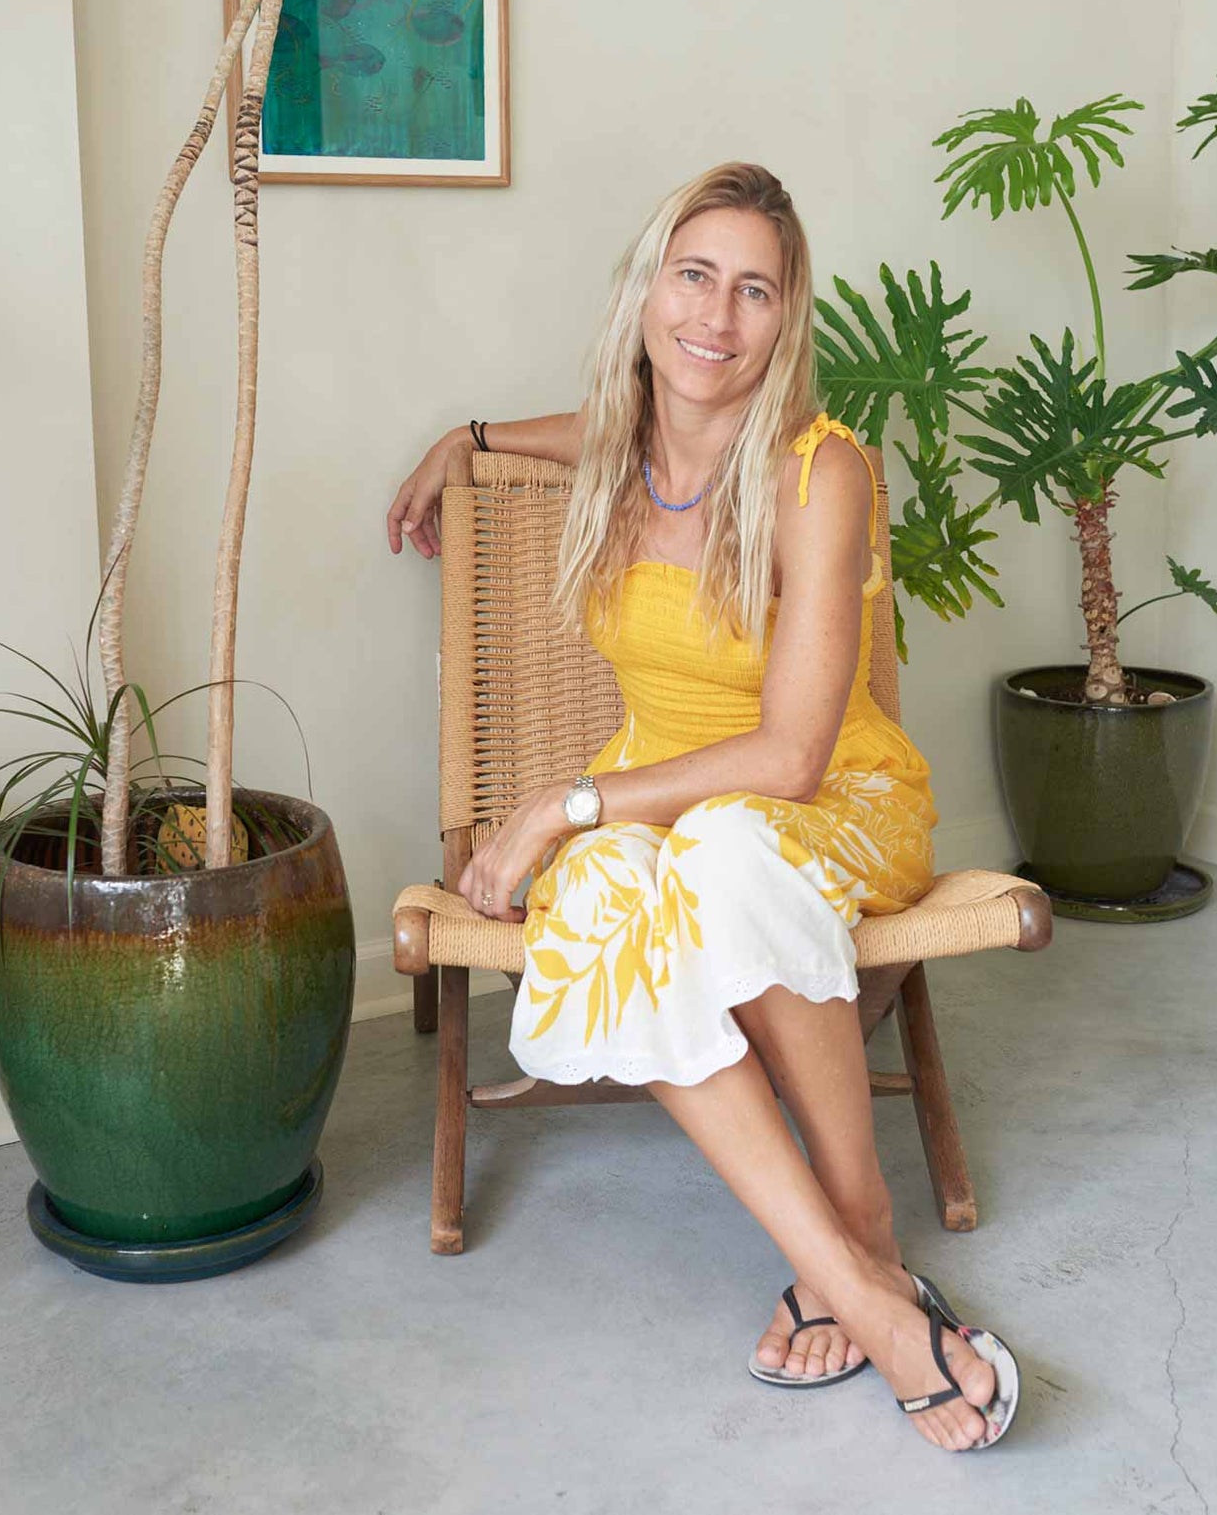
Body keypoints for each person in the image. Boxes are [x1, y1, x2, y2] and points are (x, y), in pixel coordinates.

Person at [386, 162, 1019, 1451]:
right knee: (618, 901)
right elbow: (575, 430)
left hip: (830, 800)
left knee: (719, 853)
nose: (714, 320)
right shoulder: (619, 446)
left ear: (787, 321)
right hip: (666, 805)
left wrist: (564, 804)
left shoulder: (814, 471)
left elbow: (788, 760)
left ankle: (870, 1238)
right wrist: (470, 439)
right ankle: (863, 1289)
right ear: (647, 288)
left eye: (753, 292)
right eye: (693, 276)